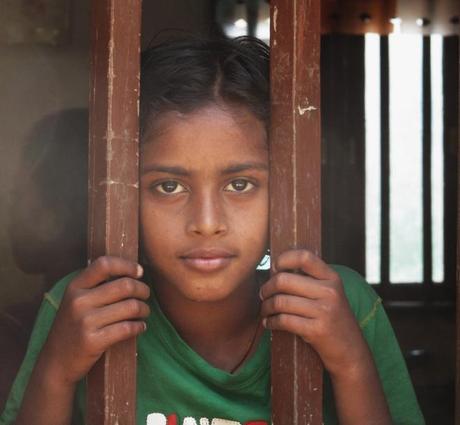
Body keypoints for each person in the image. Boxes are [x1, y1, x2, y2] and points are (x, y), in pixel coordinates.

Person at [1, 36, 424, 425]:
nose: (206, 222)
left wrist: (351, 365)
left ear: (284, 191)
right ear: (125, 194)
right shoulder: (85, 308)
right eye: (169, 187)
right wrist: (56, 372)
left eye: (240, 185)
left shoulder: (340, 303)